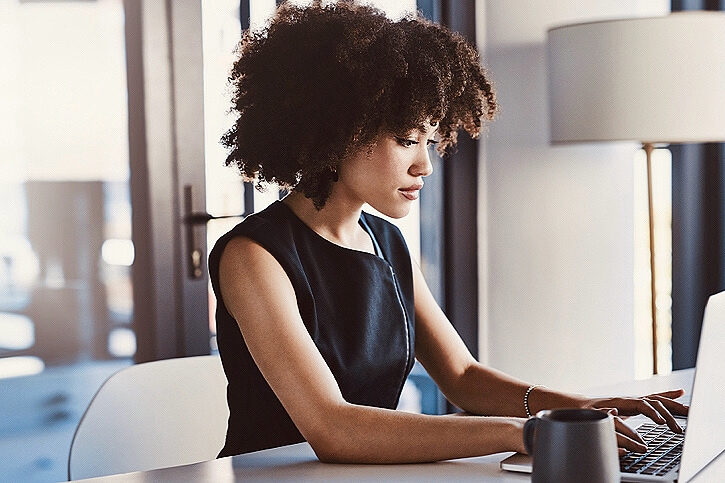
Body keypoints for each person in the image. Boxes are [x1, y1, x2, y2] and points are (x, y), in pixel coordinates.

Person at [208, 0, 688, 463]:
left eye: (431, 141)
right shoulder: (255, 255)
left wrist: (576, 410)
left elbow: (461, 376)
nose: (425, 165)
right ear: (334, 132)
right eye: (406, 140)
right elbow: (334, 428)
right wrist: (524, 433)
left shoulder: (384, 241)